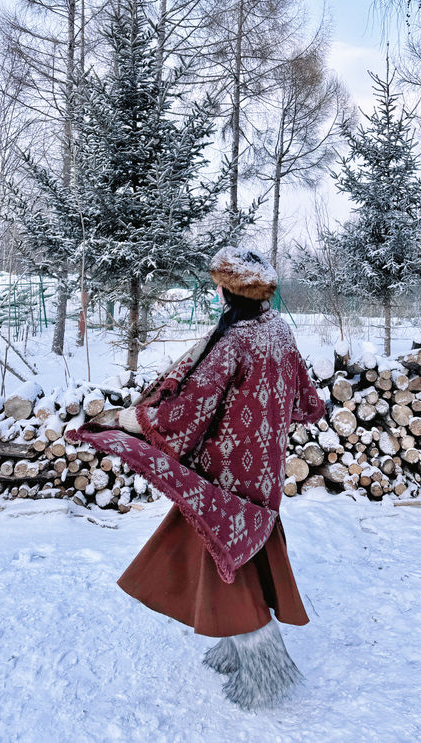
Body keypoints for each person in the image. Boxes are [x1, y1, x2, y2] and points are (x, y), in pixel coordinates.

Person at [72, 246, 325, 711]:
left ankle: (267, 674)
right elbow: (307, 402)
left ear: (229, 290)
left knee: (229, 558)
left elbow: (184, 411)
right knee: (234, 552)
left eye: (218, 285)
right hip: (262, 470)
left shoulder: (233, 342)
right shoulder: (278, 332)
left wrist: (127, 421)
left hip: (226, 474)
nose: (215, 290)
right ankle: (232, 649)